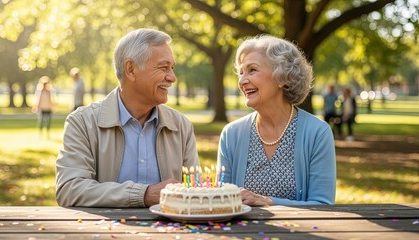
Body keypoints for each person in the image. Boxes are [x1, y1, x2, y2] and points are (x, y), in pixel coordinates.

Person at [56, 28, 199, 207]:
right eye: (164, 67)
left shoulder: (181, 126)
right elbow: (69, 189)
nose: (172, 77)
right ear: (131, 69)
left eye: (172, 68)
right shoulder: (82, 123)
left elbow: (195, 191)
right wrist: (144, 195)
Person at [218, 35, 336, 206]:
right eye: (241, 72)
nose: (242, 81)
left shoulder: (317, 133)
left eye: (252, 70)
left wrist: (269, 202)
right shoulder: (231, 134)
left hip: (302, 232)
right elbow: (222, 202)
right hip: (243, 233)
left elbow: (323, 205)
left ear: (281, 77)